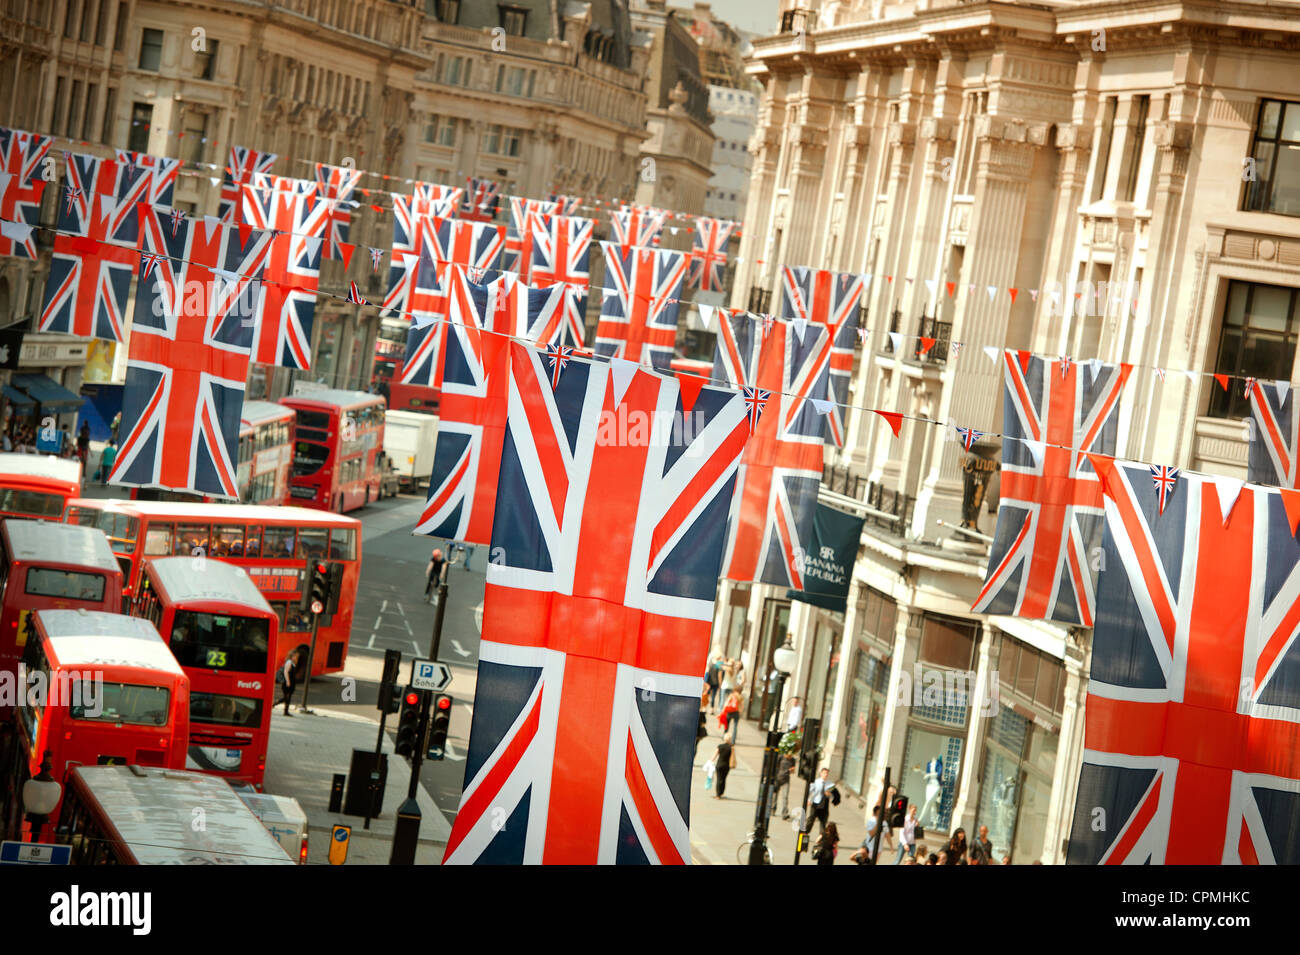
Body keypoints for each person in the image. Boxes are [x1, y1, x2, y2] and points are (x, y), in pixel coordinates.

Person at [806, 767, 835, 834]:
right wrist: (809, 800)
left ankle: (821, 836)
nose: (826, 774)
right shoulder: (816, 782)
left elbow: (832, 795)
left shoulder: (831, 784)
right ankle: (806, 832)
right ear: (821, 773)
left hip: (824, 804)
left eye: (827, 773)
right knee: (811, 819)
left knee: (823, 821)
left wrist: (830, 794)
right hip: (815, 803)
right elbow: (810, 791)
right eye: (824, 773)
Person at [279, 648, 305, 716]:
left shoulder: (293, 663)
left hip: (291, 682)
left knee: (288, 697)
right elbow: (286, 672)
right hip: (287, 682)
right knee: (286, 697)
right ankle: (277, 706)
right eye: (296, 656)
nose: (297, 658)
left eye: (297, 657)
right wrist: (288, 681)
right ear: (292, 656)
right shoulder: (289, 662)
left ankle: (285, 711)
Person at [773, 747, 795, 819]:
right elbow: (775, 767)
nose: (790, 755)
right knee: (775, 795)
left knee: (785, 796)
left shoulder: (793, 760)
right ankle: (772, 809)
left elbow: (793, 771)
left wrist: (791, 770)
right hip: (778, 778)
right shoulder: (781, 757)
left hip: (786, 780)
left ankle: (784, 813)